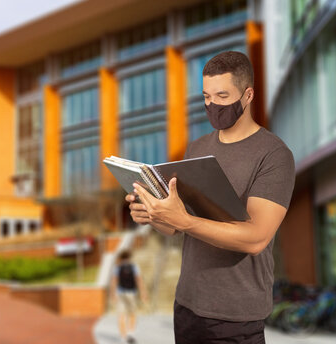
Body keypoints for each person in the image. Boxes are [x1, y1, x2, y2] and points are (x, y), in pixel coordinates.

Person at [126, 51, 295, 343]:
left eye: (221, 95)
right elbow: (177, 225)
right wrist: (153, 215)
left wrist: (185, 221)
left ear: (248, 95)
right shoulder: (197, 149)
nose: (212, 105)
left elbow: (256, 238)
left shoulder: (274, 155)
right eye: (206, 96)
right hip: (187, 307)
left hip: (236, 317)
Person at [110, 250, 148, 344]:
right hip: (131, 292)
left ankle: (123, 337)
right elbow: (138, 279)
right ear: (129, 257)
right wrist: (143, 292)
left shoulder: (118, 267)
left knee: (121, 315)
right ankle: (131, 333)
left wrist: (113, 294)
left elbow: (114, 281)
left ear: (121, 258)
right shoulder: (134, 266)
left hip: (120, 293)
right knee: (132, 313)